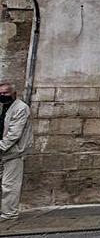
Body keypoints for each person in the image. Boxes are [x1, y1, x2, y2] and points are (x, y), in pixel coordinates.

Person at [0, 83, 31, 221]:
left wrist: (0, 147)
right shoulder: (3, 106)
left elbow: (14, 134)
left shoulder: (21, 108)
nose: (2, 95)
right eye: (0, 93)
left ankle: (9, 214)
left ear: (14, 93)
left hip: (14, 152)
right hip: (3, 150)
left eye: (5, 93)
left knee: (9, 184)